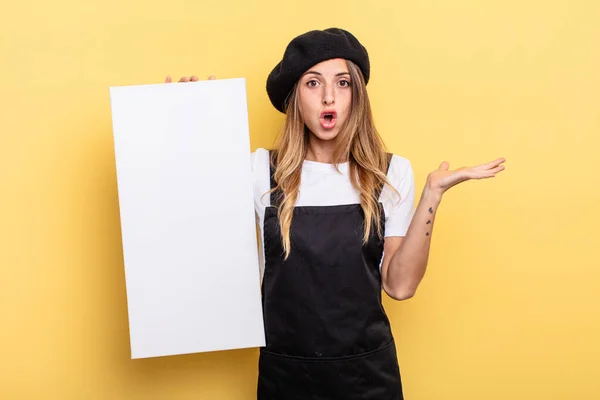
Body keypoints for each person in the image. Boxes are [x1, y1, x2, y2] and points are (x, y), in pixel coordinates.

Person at [166, 28, 505, 400]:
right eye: (314, 83)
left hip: (368, 380)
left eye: (342, 83)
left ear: (356, 96)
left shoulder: (391, 174)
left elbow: (400, 286)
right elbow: (191, 232)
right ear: (295, 97)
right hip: (287, 377)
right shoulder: (260, 172)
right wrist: (188, 124)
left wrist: (432, 195)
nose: (329, 95)